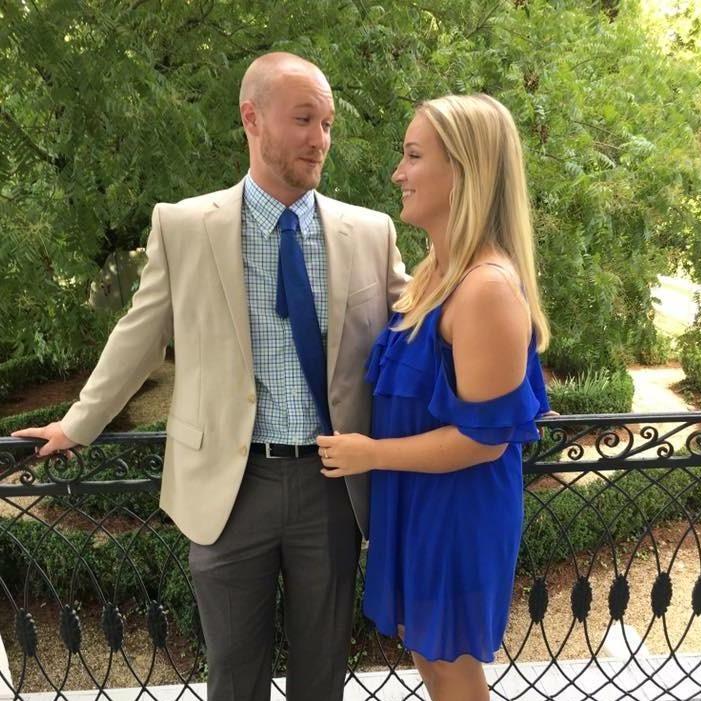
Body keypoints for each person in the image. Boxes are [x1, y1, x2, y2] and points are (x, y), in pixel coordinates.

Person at [12, 52, 408, 701]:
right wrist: (78, 422)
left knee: (322, 678)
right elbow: (140, 333)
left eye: (327, 123)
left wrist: (511, 382)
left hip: (332, 489)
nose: (320, 139)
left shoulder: (370, 231)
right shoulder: (184, 225)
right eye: (303, 119)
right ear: (252, 118)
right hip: (228, 487)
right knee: (233, 677)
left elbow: (426, 323)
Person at [316, 94, 551, 701]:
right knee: (429, 656)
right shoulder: (433, 275)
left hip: (457, 511)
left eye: (414, 156)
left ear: (465, 172)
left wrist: (371, 454)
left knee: (451, 669)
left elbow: (482, 441)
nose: (399, 173)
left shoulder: (485, 289)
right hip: (420, 498)